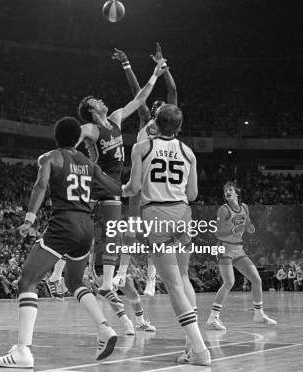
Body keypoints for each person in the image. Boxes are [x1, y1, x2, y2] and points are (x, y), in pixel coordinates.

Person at [0, 117, 122, 368]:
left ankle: (22, 351)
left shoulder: (51, 158)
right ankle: (105, 329)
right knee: (74, 281)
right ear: (77, 139)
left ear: (56, 137)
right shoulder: (89, 164)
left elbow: (40, 186)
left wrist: (30, 218)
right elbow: (116, 187)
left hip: (64, 224)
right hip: (87, 228)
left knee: (27, 281)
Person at [47, 53, 168, 307]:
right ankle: (56, 275)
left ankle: (106, 284)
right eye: (96, 101)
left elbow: (139, 99)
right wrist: (67, 156)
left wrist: (155, 75)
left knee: (114, 234)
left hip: (111, 185)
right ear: (92, 111)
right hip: (94, 182)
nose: (101, 100)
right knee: (76, 229)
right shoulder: (91, 129)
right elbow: (74, 138)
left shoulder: (114, 119)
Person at [122, 104, 210, 366]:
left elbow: (134, 188)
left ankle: (200, 349)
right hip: (183, 213)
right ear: (179, 127)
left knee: (172, 286)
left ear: (154, 124)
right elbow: (193, 195)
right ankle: (191, 347)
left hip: (157, 214)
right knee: (183, 278)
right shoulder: (189, 152)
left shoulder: (142, 148)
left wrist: (115, 187)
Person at [113, 43, 179, 296]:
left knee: (154, 232)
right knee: (131, 227)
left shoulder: (169, 122)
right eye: (156, 105)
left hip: (158, 181)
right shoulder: (144, 119)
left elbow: (172, 89)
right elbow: (135, 91)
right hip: (139, 176)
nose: (158, 106)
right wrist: (126, 63)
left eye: (163, 106)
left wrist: (163, 66)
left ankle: (152, 278)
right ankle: (121, 272)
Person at [206, 181, 277, 331]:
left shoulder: (244, 207)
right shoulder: (223, 210)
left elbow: (248, 225)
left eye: (230, 189)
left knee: (256, 279)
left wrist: (250, 228)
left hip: (238, 249)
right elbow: (218, 233)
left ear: (237, 193)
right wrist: (233, 230)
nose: (227, 192)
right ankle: (212, 318)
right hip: (223, 248)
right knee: (229, 282)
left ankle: (259, 314)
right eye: (225, 190)